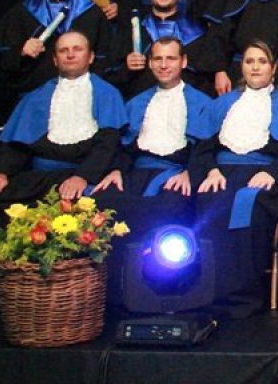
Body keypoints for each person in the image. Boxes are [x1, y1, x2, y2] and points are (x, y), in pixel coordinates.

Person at [0, 31, 127, 307]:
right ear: (55, 59)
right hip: (40, 176)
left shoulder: (107, 94)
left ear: (90, 57)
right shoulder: (36, 97)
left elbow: (108, 144)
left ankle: (87, 297)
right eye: (63, 51)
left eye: (77, 49)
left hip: (81, 174)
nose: (70, 54)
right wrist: (2, 174)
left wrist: (82, 176)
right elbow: (17, 145)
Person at [191, 40, 278, 316]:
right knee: (210, 202)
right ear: (242, 67)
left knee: (251, 204)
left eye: (262, 61)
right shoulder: (223, 104)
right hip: (222, 173)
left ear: (273, 68)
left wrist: (273, 172)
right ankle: (208, 293)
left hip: (265, 174)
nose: (255, 67)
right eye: (249, 61)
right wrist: (211, 170)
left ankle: (242, 298)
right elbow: (202, 148)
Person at [92, 36, 214, 306]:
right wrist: (116, 170)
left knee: (169, 206)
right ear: (149, 63)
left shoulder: (203, 102)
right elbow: (124, 146)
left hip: (176, 172)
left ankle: (160, 291)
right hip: (138, 171)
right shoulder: (136, 103)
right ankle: (114, 292)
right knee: (104, 202)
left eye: (171, 58)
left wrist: (189, 174)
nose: (164, 65)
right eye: (158, 59)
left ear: (183, 62)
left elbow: (205, 148)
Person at [107, 0, 218, 97]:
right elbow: (111, 76)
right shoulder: (132, 30)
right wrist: (126, 67)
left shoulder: (197, 34)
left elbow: (206, 83)